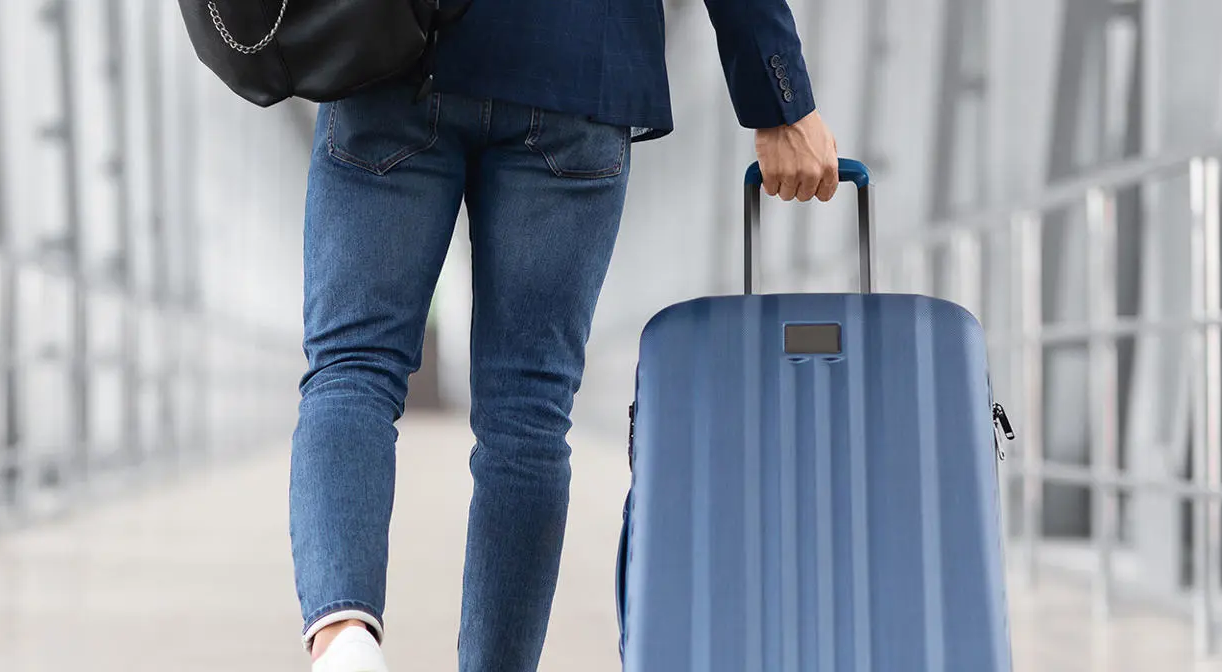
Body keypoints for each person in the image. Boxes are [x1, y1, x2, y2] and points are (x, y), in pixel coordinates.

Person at [290, 0, 840, 669]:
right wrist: (780, 96)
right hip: (580, 64)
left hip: (396, 56)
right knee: (528, 414)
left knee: (354, 366)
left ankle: (345, 636)